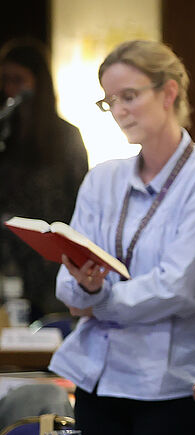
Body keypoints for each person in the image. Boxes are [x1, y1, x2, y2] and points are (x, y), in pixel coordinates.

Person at [48, 40, 195, 435]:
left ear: (169, 92)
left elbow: (179, 289)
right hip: (98, 379)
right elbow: (68, 279)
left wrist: (97, 299)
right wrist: (86, 295)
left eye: (129, 97)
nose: (119, 111)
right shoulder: (103, 179)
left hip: (168, 386)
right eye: (109, 101)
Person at [0, 38, 87, 321]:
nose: (10, 88)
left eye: (18, 79)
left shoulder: (66, 137)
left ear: (38, 82)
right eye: (5, 80)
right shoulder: (5, 137)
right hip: (10, 261)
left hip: (52, 263)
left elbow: (80, 202)